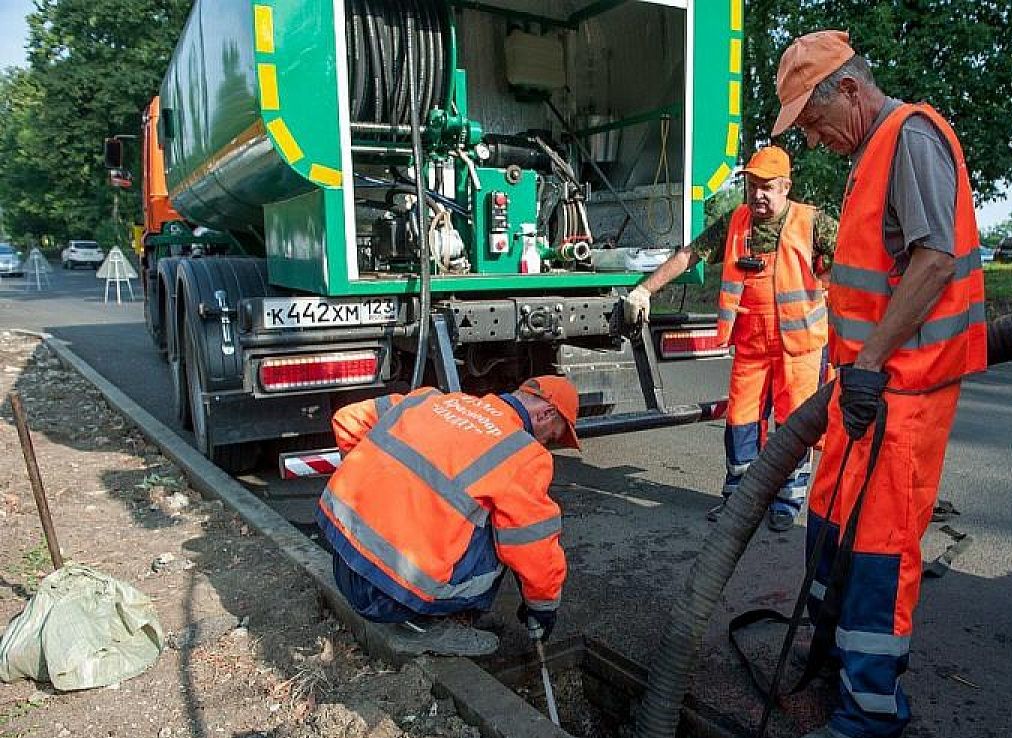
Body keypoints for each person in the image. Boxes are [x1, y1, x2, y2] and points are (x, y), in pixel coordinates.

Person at [771, 31, 986, 738]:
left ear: (851, 91)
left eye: (812, 121)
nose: (813, 137)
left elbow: (935, 259)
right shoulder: (873, 152)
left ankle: (871, 715)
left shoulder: (911, 138)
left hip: (903, 395)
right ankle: (836, 664)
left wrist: (866, 364)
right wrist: (856, 373)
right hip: (866, 391)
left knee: (877, 552)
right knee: (830, 524)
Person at [625, 146, 837, 532]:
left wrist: (833, 293)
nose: (758, 194)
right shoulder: (736, 222)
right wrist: (645, 290)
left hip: (801, 348)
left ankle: (787, 500)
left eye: (767, 187)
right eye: (752, 185)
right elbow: (690, 255)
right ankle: (739, 498)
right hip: (752, 347)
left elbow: (854, 263)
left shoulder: (813, 223)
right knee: (740, 421)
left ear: (786, 187)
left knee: (793, 426)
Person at [316, 376, 581, 657]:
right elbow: (534, 549)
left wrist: (377, 489)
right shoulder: (524, 455)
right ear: (546, 414)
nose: (545, 444)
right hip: (391, 599)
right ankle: (426, 626)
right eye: (551, 436)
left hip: (345, 566)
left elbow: (347, 420)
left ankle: (423, 613)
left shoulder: (428, 400)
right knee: (505, 528)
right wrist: (542, 608)